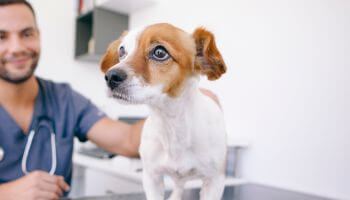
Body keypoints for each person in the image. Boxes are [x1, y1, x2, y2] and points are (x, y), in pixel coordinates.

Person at [0, 1, 220, 199]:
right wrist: (6, 193)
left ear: (38, 35)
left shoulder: (64, 99)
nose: (16, 47)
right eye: (1, 36)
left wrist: (184, 109)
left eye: (27, 33)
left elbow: (126, 140)